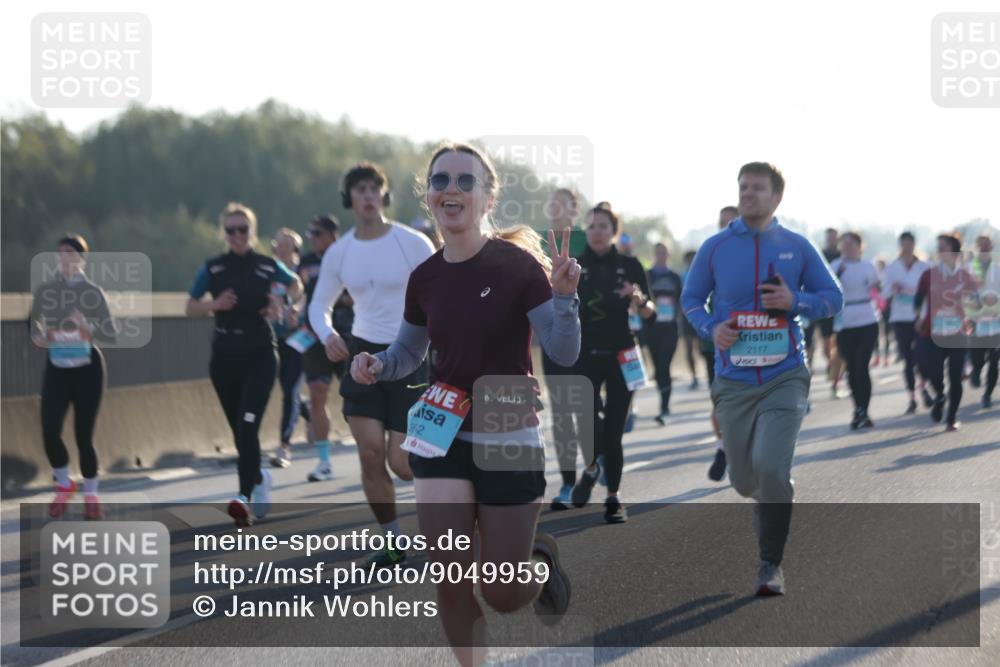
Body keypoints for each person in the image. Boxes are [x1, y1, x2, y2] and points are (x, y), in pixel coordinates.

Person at [350, 143, 578, 667]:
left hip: (507, 426)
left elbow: (563, 350)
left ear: (488, 196)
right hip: (442, 430)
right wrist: (378, 365)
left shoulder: (518, 266)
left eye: (465, 182)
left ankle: (539, 564)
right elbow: (409, 350)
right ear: (428, 195)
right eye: (441, 181)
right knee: (451, 581)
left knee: (501, 593)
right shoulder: (425, 277)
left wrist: (564, 299)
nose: (451, 190)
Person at [682, 162, 843, 595]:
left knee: (773, 468)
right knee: (744, 481)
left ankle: (771, 564)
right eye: (743, 186)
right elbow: (691, 300)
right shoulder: (715, 248)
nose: (748, 193)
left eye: (757, 187)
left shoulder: (797, 246)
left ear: (777, 197)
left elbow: (834, 299)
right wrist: (710, 329)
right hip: (733, 379)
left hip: (784, 374)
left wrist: (796, 301)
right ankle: (769, 496)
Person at [309, 162, 436, 567]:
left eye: (373, 188)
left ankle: (456, 494)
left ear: (384, 195)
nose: (367, 195)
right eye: (359, 189)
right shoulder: (340, 251)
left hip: (409, 353)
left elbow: (440, 295)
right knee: (368, 453)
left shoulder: (413, 243)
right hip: (363, 354)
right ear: (350, 199)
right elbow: (318, 305)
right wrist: (328, 334)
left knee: (402, 463)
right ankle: (392, 540)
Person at [186, 203, 303, 526]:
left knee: (248, 424)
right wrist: (215, 304)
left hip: (260, 353)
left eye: (243, 229)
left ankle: (242, 499)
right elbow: (190, 306)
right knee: (239, 430)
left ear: (252, 232)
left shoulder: (267, 265)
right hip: (224, 356)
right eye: (231, 230)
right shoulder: (213, 268)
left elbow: (296, 284)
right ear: (224, 233)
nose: (237, 235)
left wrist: (282, 300)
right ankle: (259, 477)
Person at [569, 202, 654, 523]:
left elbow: (651, 315)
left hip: (623, 354)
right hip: (585, 354)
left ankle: (613, 499)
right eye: (591, 226)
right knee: (589, 424)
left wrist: (639, 301)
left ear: (614, 231)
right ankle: (591, 468)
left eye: (603, 226)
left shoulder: (630, 266)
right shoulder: (576, 265)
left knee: (614, 431)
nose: (597, 232)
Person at [30, 234, 117, 520]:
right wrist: (41, 337)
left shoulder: (93, 292)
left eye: (70, 253)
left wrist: (87, 326)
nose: (63, 258)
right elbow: (31, 327)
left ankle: (91, 496)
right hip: (57, 369)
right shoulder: (47, 291)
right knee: (49, 430)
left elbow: (110, 333)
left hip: (87, 370)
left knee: (83, 436)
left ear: (81, 258)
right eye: (60, 253)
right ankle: (64, 483)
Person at [295, 214, 354, 479]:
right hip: (315, 335)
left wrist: (341, 299)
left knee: (356, 395)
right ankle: (324, 461)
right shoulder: (306, 262)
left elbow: (361, 294)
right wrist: (292, 309)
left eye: (318, 234)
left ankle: (372, 451)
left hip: (348, 333)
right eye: (311, 235)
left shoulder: (349, 255)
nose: (313, 240)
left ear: (333, 235)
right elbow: (300, 294)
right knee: (317, 392)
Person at [542, 188, 588, 510]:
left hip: (589, 341)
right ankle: (569, 482)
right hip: (553, 337)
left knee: (587, 413)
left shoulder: (589, 239)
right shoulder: (540, 242)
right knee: (561, 414)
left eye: (564, 201)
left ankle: (596, 466)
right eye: (552, 200)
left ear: (575, 209)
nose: (556, 206)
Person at [914, 233, 977, 431]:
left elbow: (976, 302)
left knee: (955, 376)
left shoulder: (965, 276)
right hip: (931, 331)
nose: (939, 250)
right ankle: (940, 395)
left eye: (944, 246)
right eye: (938, 246)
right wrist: (917, 317)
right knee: (930, 370)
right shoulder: (928, 274)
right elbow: (918, 299)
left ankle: (951, 417)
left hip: (957, 332)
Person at [268, 228, 311, 467]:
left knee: (291, 390)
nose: (281, 248)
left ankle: (284, 445)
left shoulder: (301, 271)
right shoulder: (272, 272)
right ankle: (308, 412)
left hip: (301, 335)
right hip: (277, 337)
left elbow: (309, 295)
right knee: (286, 387)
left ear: (295, 249)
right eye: (278, 244)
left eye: (287, 244)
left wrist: (298, 307)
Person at [830, 233, 881, 429]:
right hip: (845, 321)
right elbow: (829, 287)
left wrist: (880, 287)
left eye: (851, 244)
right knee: (851, 368)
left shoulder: (868, 265)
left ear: (860, 246)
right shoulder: (835, 265)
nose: (847, 247)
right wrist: (840, 273)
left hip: (867, 319)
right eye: (844, 244)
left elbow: (877, 288)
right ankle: (858, 408)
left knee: (862, 366)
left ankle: (864, 410)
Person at [707, 205, 739, 481]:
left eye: (733, 222)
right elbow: (693, 297)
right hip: (720, 342)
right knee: (719, 404)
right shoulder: (712, 254)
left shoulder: (758, 253)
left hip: (755, 342)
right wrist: (709, 326)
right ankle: (723, 445)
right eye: (723, 223)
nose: (727, 227)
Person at [881, 232, 929, 414]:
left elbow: (931, 290)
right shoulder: (892, 267)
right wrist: (893, 288)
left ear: (914, 244)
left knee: (921, 356)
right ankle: (912, 398)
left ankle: (924, 386)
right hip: (899, 318)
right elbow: (884, 294)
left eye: (909, 243)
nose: (906, 247)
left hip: (920, 318)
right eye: (903, 243)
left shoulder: (924, 266)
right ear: (900, 245)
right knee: (907, 360)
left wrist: (914, 291)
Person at [646, 242, 683, 425]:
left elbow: (683, 300)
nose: (662, 255)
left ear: (669, 254)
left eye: (665, 253)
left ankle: (664, 407)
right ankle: (663, 401)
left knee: (664, 365)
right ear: (655, 254)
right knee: (657, 368)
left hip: (670, 327)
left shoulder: (674, 277)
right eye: (659, 252)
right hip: (652, 327)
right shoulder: (648, 276)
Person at [969, 234, 998, 397]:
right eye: (981, 245)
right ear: (976, 247)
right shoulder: (969, 268)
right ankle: (976, 369)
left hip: (996, 319)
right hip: (976, 319)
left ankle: (988, 393)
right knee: (977, 355)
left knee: (994, 360)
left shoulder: (998, 269)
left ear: (991, 247)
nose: (984, 248)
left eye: (987, 245)